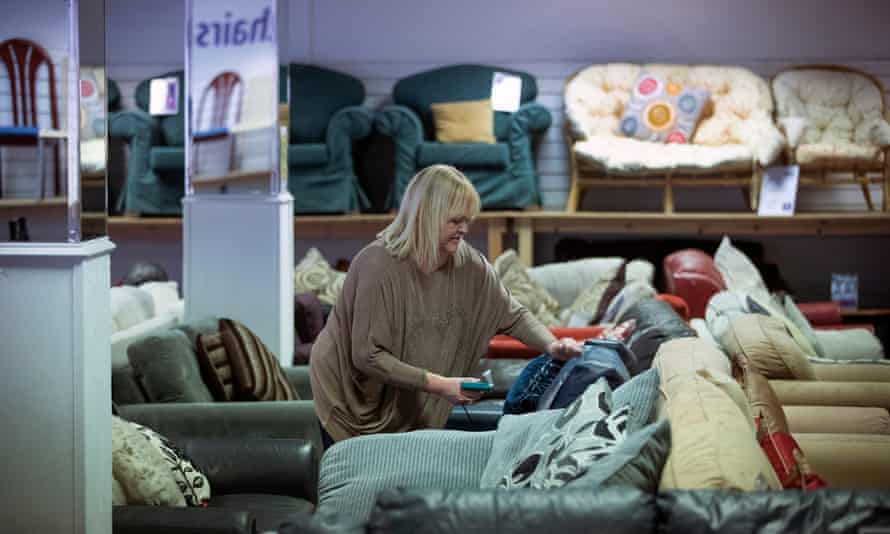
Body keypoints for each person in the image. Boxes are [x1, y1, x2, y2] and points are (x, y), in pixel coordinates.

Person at [309, 164, 583, 450]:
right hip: (347, 399)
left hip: (402, 401)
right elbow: (368, 355)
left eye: (467, 220)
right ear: (427, 216)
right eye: (455, 221)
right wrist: (441, 385)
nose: (464, 229)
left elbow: (513, 314)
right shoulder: (377, 264)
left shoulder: (469, 264)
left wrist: (552, 345)